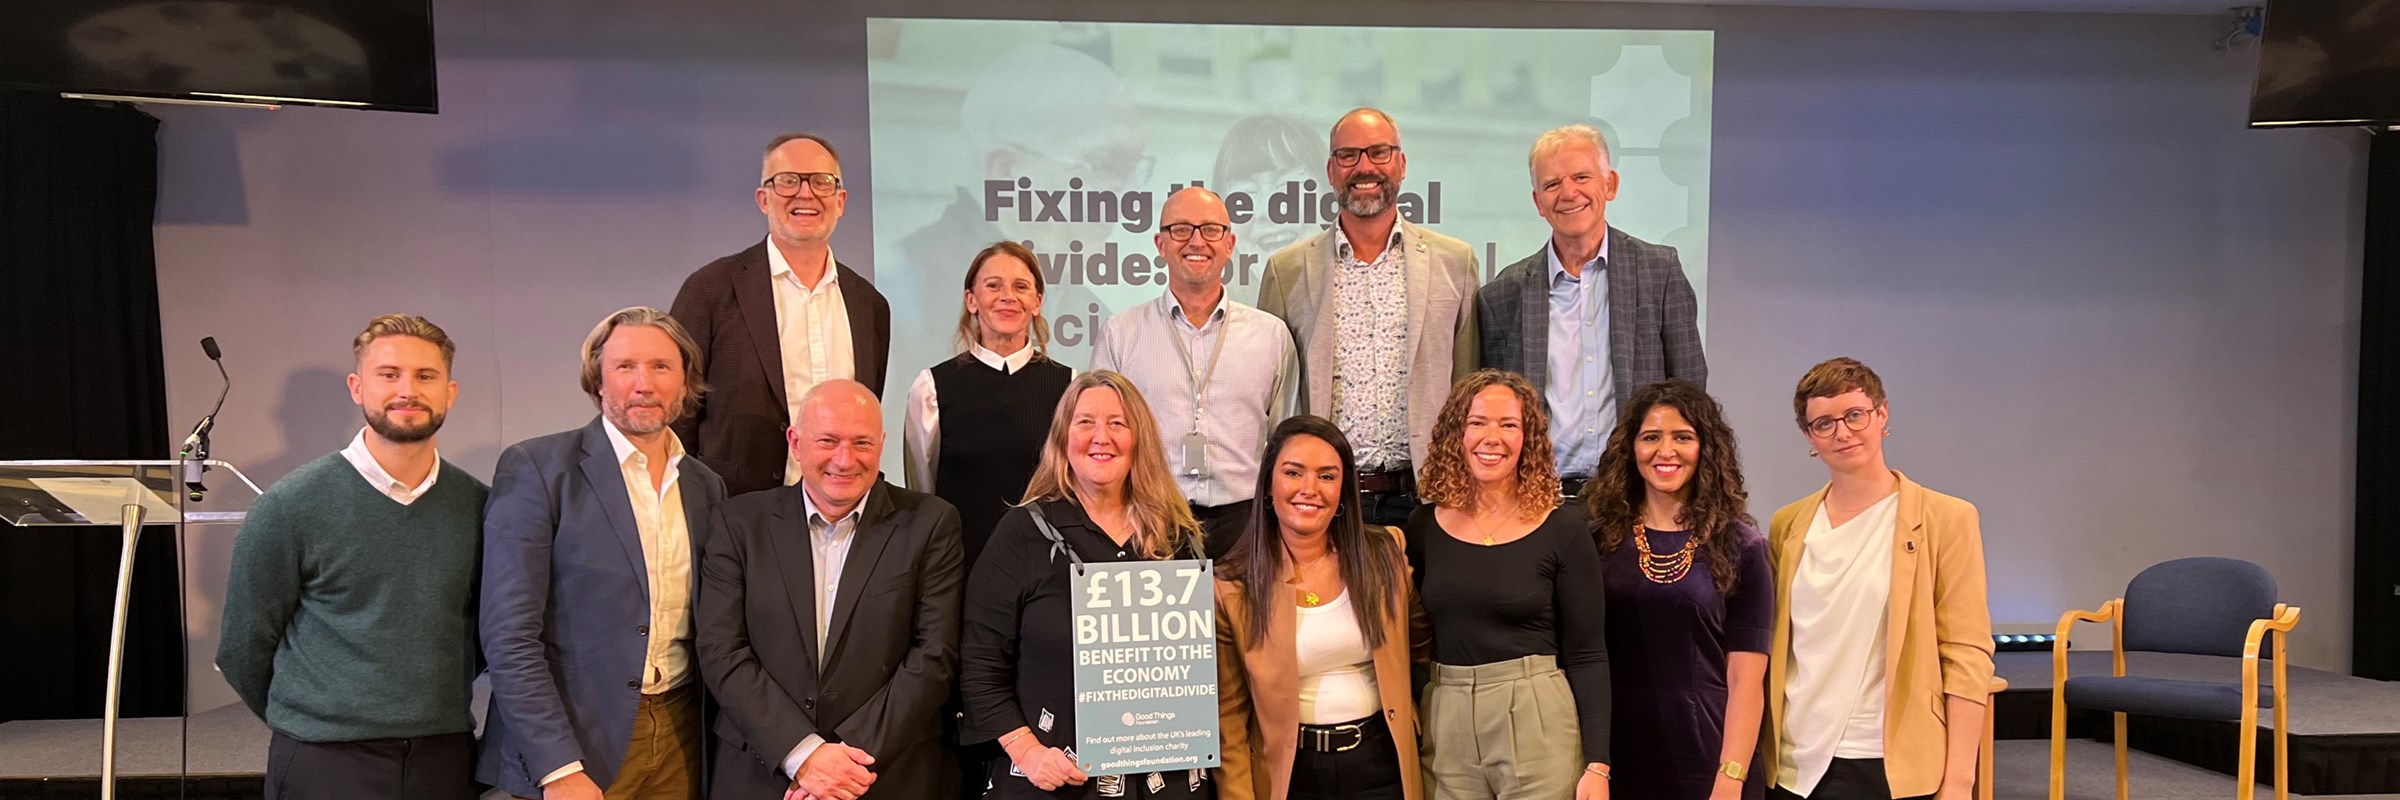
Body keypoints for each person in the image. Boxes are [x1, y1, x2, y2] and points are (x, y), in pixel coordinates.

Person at [217, 314, 485, 799]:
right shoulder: (290, 505)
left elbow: (490, 635)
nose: (408, 390)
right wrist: (313, 719)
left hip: (444, 759)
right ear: (357, 388)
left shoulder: (479, 506)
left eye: (426, 376)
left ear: (451, 391)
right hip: (325, 761)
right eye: (389, 375)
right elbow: (242, 648)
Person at [478, 307, 730, 800]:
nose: (644, 384)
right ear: (597, 381)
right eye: (625, 367)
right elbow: (509, 637)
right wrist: (557, 766)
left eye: (661, 367)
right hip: (576, 747)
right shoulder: (538, 469)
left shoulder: (706, 486)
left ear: (685, 383)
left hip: (681, 735)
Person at [698, 379, 965, 799]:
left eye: (862, 443)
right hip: (761, 773)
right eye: (828, 441)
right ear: (795, 441)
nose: (845, 459)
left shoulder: (931, 523)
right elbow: (721, 650)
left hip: (881, 774)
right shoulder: (739, 523)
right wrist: (803, 755)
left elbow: (934, 654)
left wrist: (843, 764)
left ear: (881, 444)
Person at [959, 371, 1214, 799]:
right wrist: (1028, 752)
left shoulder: (1179, 537)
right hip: (1054, 782)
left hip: (1168, 783)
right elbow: (980, 666)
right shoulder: (1022, 533)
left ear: (1140, 438)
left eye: (1118, 423)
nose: (1102, 437)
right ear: (1062, 438)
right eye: (1085, 422)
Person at [1759, 358, 1993, 800]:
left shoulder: (1946, 518)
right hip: (1793, 763)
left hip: (1883, 762)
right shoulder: (1788, 525)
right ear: (1809, 437)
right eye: (1824, 423)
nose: (1843, 432)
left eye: (1854, 415)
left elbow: (1966, 656)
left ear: (1882, 415)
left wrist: (1959, 781)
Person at [1258, 108, 1479, 526]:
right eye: (1348, 155)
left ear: (1401, 163)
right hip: (1327, 502)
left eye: (1379, 152)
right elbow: (1272, 399)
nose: (1364, 167)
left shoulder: (1455, 262)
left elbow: (1467, 389)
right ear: (1330, 169)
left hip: (1428, 501)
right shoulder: (1286, 271)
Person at [1403, 369, 1611, 800]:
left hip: (1537, 719)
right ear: (1455, 433)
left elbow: (1589, 654)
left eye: (1508, 424)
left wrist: (1598, 765)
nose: (1491, 437)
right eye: (1477, 422)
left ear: (1528, 438)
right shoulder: (1423, 526)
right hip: (1448, 716)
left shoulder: (1564, 528)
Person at [1478, 124, 1706, 499]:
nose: (1569, 193)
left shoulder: (1659, 272)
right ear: (1538, 202)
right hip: (1540, 502)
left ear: (1610, 185)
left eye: (1582, 177)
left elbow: (1691, 394)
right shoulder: (1504, 295)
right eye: (1552, 184)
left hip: (1638, 496)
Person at [672, 132, 893, 496]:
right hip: (734, 517)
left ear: (840, 201)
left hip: (842, 520)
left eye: (821, 182)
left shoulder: (870, 305)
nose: (805, 194)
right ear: (763, 199)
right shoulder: (710, 290)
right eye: (788, 181)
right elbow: (677, 416)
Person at [1215, 416, 1424, 800]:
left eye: (1327, 476)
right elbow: (1229, 721)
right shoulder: (1232, 585)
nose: (1310, 489)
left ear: (1343, 491)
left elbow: (1423, 654)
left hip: (1382, 765)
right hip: (1292, 775)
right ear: (1268, 485)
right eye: (1294, 473)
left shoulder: (1386, 553)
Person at [1583, 379, 1770, 800]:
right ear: (1631, 449)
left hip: (1710, 758)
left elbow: (1746, 680)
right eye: (1651, 437)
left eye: (1682, 437)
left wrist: (1731, 776)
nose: (1665, 451)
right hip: (1613, 756)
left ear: (1705, 448)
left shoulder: (1744, 546)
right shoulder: (1595, 540)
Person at [1093, 187, 1299, 559]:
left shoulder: (1271, 336)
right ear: (1160, 243)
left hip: (1246, 526)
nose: (1196, 241)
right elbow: (1104, 437)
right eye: (1181, 229)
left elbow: (1284, 441)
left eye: (1210, 230)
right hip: (1148, 521)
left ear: (1230, 242)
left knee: (1246, 621)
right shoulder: (1120, 333)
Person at [903, 240, 1076, 571]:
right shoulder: (931, 388)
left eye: (1021, 287)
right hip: (960, 567)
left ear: (1037, 302)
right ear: (971, 300)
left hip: (1047, 570)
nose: (1007, 296)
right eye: (993, 285)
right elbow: (923, 494)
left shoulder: (1070, 387)